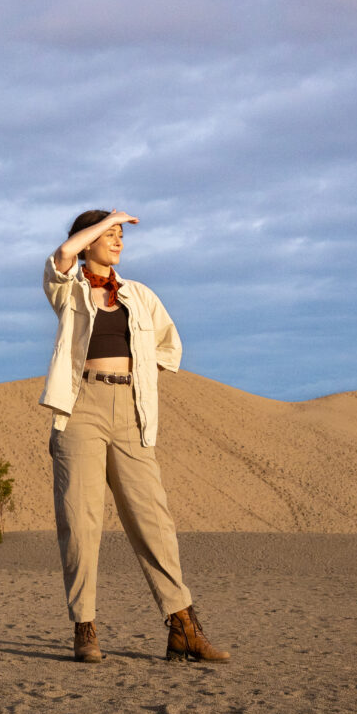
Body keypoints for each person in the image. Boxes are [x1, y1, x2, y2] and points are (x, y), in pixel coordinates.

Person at [40, 207, 230, 666]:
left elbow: (169, 345)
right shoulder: (69, 289)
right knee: (80, 523)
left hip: (131, 410)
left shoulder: (140, 295)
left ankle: (183, 627)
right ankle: (85, 628)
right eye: (110, 234)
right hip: (80, 408)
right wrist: (101, 223)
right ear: (88, 240)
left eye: (122, 234)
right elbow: (62, 254)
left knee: (154, 522)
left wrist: (142, 373)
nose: (119, 241)